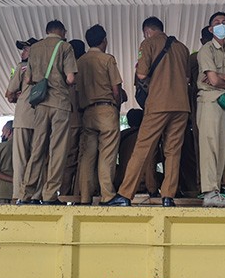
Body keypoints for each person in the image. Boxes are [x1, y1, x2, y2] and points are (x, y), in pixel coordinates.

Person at [103, 16, 190, 208]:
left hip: (159, 104)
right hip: (182, 106)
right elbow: (186, 77)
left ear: (147, 31)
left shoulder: (148, 43)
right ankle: (168, 196)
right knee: (173, 151)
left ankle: (125, 195)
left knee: (142, 148)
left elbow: (141, 74)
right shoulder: (183, 48)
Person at [22, 20, 78, 205]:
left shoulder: (35, 48)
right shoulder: (65, 47)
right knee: (58, 149)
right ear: (62, 31)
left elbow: (28, 78)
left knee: (37, 148)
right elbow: (70, 78)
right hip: (60, 103)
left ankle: (27, 194)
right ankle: (49, 194)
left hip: (40, 104)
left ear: (46, 31)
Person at [196, 12, 225, 207]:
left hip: (223, 102)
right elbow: (213, 81)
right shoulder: (206, 50)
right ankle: (209, 192)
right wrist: (224, 78)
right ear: (210, 29)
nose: (221, 25)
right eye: (217, 22)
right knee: (210, 147)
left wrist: (219, 77)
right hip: (208, 101)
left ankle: (216, 192)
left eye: (224, 23)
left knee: (221, 149)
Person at [76, 24, 124, 205]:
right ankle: (107, 195)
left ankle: (85, 197)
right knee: (107, 155)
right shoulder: (107, 59)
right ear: (104, 40)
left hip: (87, 112)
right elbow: (116, 89)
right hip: (106, 110)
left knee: (87, 156)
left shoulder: (80, 62)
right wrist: (116, 105)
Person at [179, 26, 214, 197]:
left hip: (198, 104)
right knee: (218, 147)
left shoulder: (194, 57)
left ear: (201, 40)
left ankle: (202, 186)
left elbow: (186, 82)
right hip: (219, 107)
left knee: (200, 146)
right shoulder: (223, 56)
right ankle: (218, 185)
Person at [5, 37, 39, 204]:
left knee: (20, 159)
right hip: (41, 119)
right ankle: (36, 194)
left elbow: (9, 94)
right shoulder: (46, 67)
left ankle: (19, 195)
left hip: (23, 117)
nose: (22, 52)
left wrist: (17, 96)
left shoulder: (22, 67)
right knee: (38, 158)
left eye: (26, 49)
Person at [61, 39, 87, 197]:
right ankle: (80, 194)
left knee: (69, 159)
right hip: (84, 118)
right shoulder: (84, 67)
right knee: (83, 158)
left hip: (70, 120)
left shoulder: (67, 69)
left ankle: (64, 194)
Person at [115, 109, 161, 197]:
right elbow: (156, 159)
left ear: (128, 122)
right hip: (145, 183)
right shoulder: (149, 137)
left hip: (123, 181)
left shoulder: (122, 135)